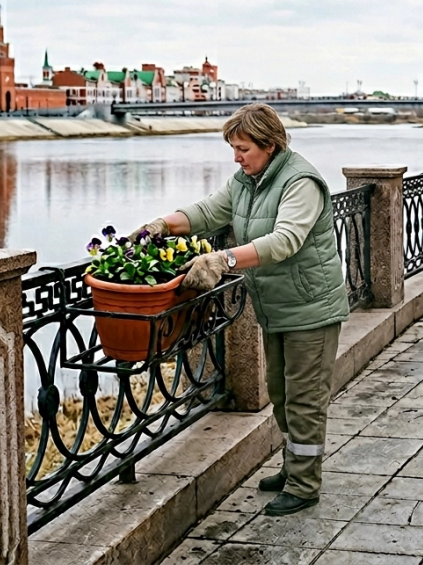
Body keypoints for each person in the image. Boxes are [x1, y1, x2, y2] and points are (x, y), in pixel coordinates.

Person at [132, 103, 349, 517]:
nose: (236, 156)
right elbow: (207, 212)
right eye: (233, 148)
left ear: (270, 145)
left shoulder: (300, 182)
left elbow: (285, 240)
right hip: (277, 308)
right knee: (282, 395)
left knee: (304, 399)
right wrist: (159, 225)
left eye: (243, 148)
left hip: (311, 310)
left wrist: (222, 260)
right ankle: (293, 467)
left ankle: (305, 484)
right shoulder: (247, 181)